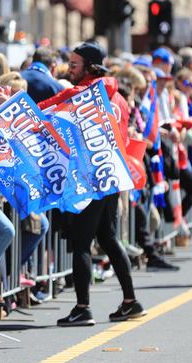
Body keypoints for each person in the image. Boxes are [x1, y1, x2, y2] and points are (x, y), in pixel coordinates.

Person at [39, 41, 145, 326]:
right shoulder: (118, 97)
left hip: (93, 180)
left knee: (82, 242)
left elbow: (40, 112)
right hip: (112, 177)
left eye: (74, 65)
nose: (69, 70)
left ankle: (83, 308)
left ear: (90, 67)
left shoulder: (82, 93)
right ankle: (131, 301)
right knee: (109, 239)